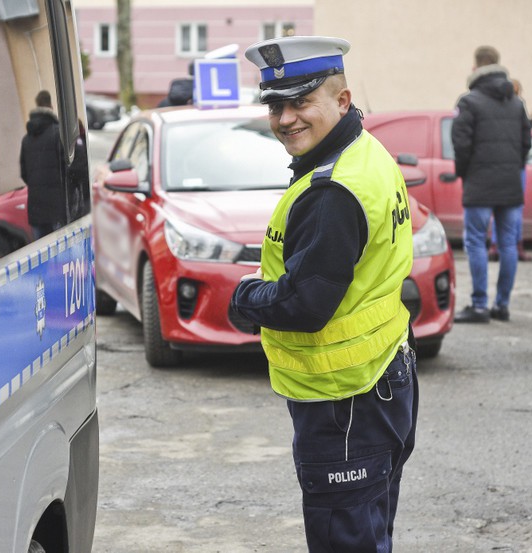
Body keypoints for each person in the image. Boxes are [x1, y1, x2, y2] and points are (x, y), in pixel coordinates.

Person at [230, 37, 418, 551]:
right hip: (383, 380)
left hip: (345, 401)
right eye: (276, 106)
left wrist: (244, 298)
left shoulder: (332, 190)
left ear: (341, 99)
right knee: (369, 534)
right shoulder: (365, 150)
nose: (286, 118)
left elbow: (305, 305)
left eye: (301, 101)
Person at [452, 46, 532, 323]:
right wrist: (513, 167)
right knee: (508, 243)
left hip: (479, 184)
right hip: (510, 184)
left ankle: (479, 306)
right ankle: (502, 305)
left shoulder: (469, 102)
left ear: (476, 68)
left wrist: (464, 174)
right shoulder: (516, 104)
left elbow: (460, 144)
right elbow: (526, 142)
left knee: (476, 241)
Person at [488, 78, 532, 262]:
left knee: (496, 208)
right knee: (514, 209)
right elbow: (525, 140)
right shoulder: (518, 106)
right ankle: (515, 246)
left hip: (496, 166)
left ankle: (495, 246)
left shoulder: (494, 107)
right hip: (515, 167)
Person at [21, 90, 66, 239]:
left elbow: (24, 173)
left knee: (42, 249)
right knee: (60, 249)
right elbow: (67, 168)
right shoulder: (58, 133)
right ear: (51, 106)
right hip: (57, 207)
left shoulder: (26, 139)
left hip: (36, 208)